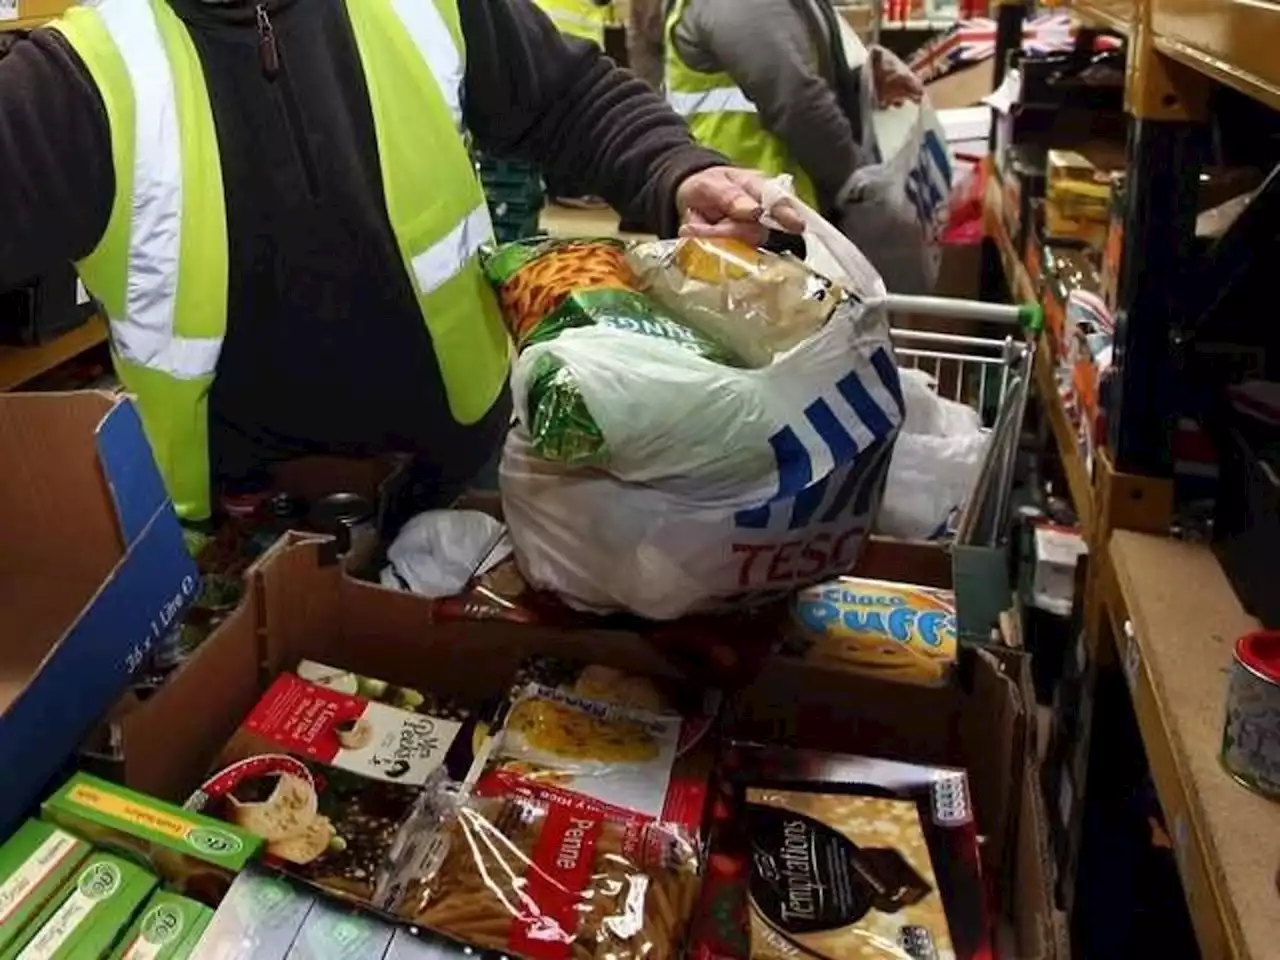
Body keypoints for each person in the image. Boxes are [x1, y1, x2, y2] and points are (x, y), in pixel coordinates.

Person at [0, 0, 794, 530]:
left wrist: (675, 170)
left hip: (464, 478)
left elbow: (565, 95)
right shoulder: (84, 74)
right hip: (238, 535)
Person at [665, 0, 923, 214]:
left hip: (774, 204)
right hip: (751, 210)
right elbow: (798, 105)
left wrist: (860, 83)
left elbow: (796, 64)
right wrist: (864, 193)